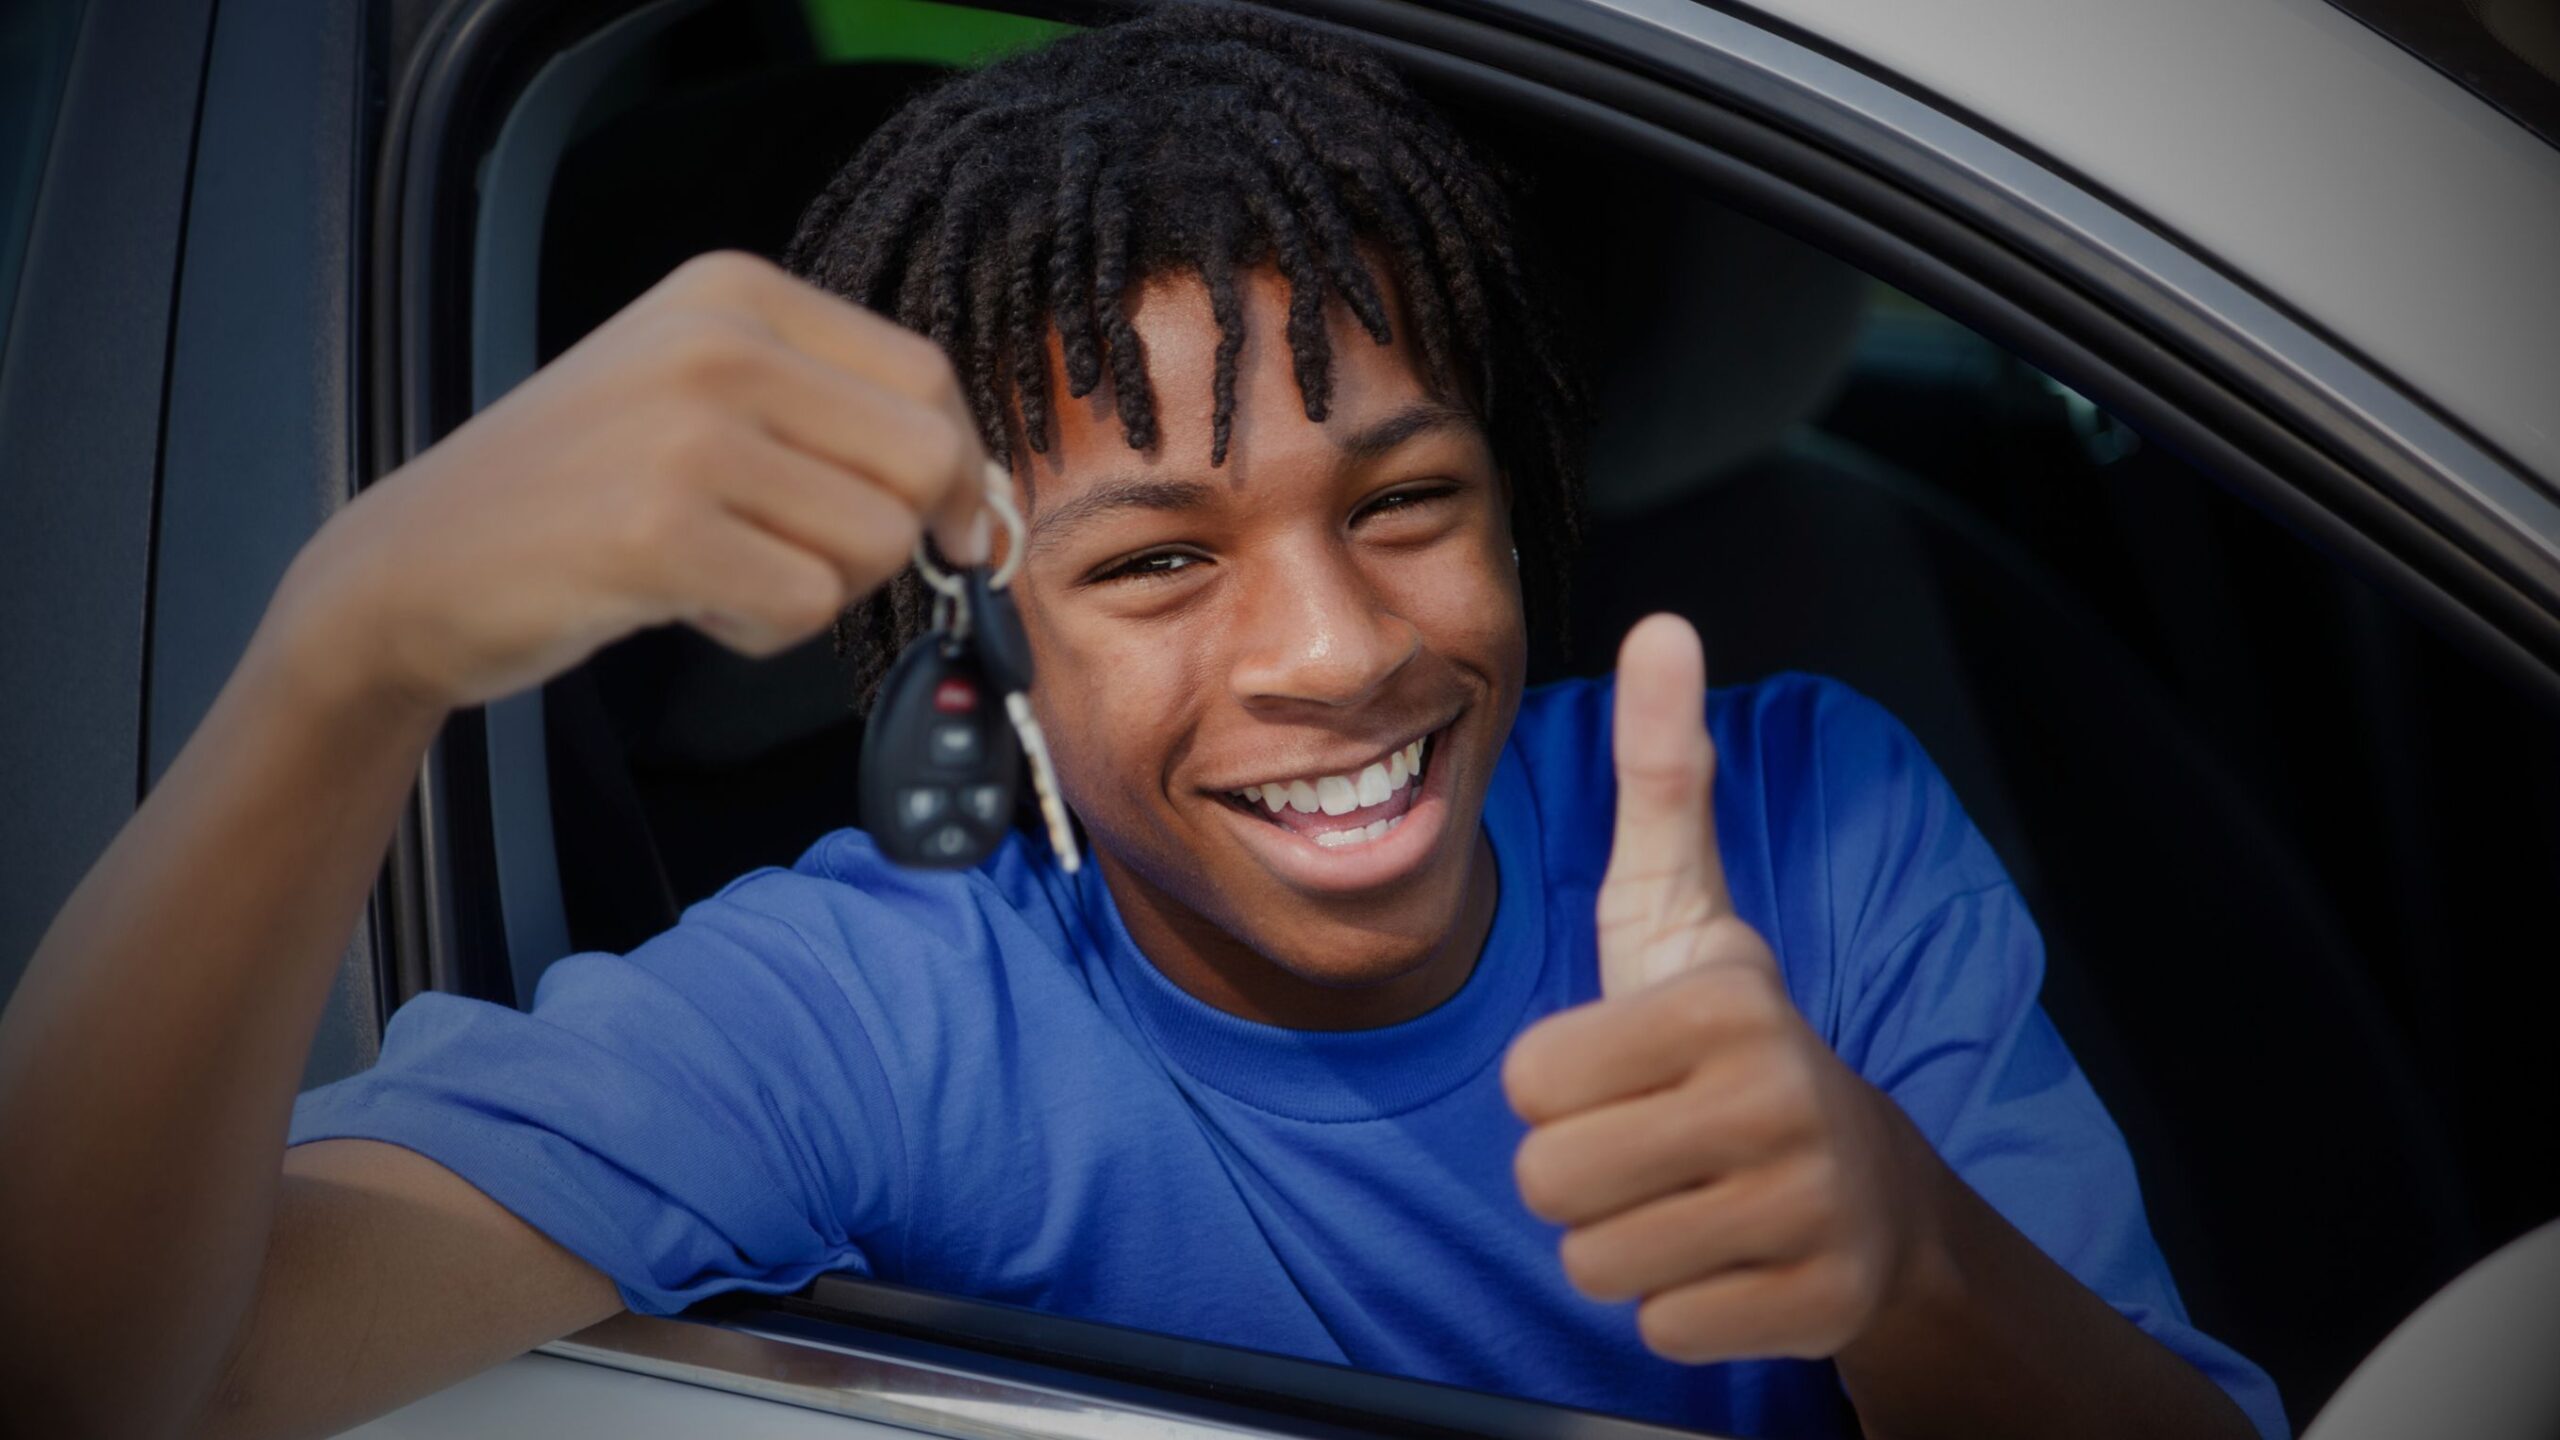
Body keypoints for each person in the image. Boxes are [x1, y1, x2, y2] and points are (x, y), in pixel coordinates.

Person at [0, 7, 2284, 1438]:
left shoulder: (1804, 820)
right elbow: (109, 1386)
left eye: (1404, 503)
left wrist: (1900, 1257)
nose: (1327, 649)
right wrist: (346, 655)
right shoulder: (882, 1006)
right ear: (975, 642)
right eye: (1157, 560)